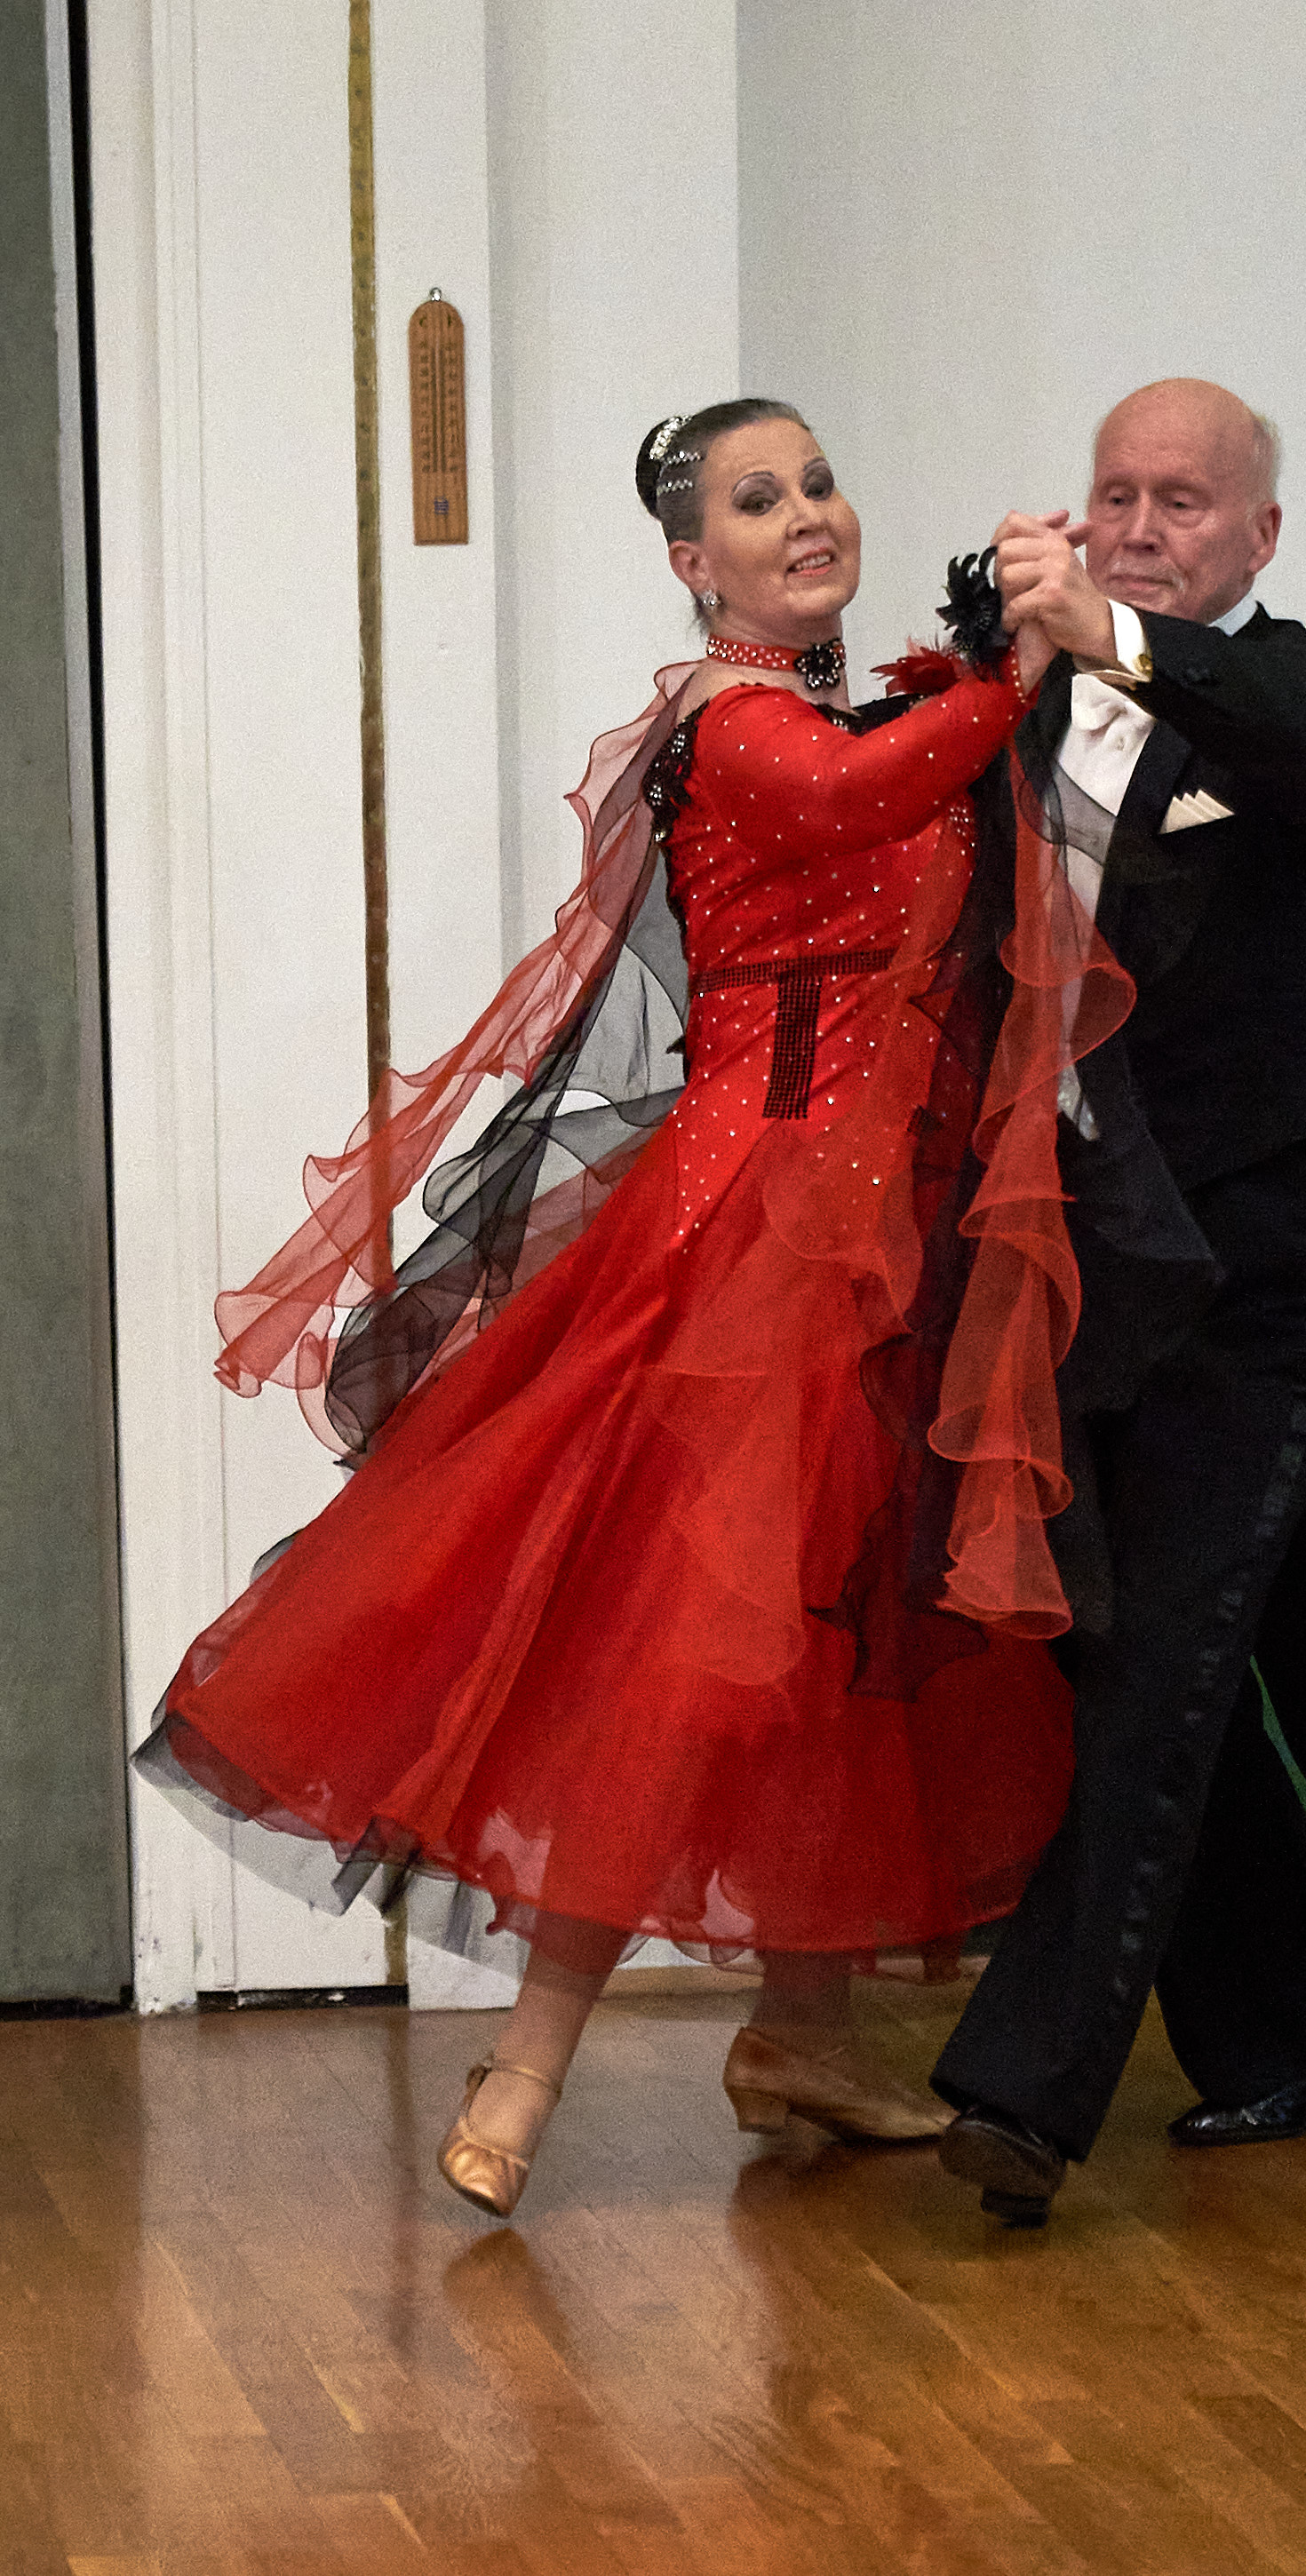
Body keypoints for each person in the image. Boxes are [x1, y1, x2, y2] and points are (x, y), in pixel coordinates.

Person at [137, 398, 1127, 2220]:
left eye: (818, 481)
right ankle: (524, 2075)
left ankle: (802, 2035)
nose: (806, 514)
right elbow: (849, 801)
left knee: (839, 1636)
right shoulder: (731, 723)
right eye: (757, 500)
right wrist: (1019, 668)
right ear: (695, 562)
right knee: (675, 1654)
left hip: (880, 1245)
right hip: (744, 1248)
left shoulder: (872, 709)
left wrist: (1027, 667)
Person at [933, 378, 1306, 2223]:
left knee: (1168, 1649)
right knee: (1114, 1653)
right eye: (1116, 495)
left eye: (1181, 500)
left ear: (1257, 534)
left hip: (1277, 1280)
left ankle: (1022, 2097)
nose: (1142, 525)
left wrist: (1128, 640)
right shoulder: (1034, 706)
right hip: (1092, 1273)